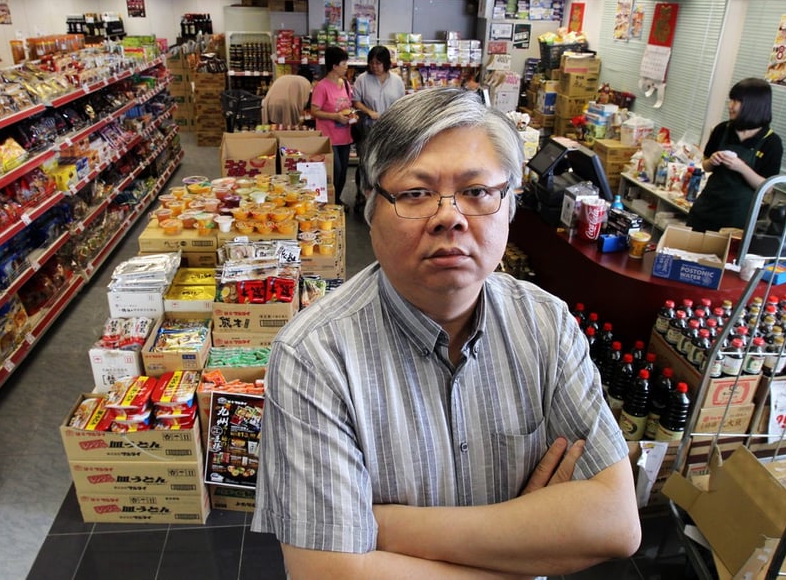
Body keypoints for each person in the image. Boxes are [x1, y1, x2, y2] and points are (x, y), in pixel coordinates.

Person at [251, 87, 641, 579]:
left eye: (477, 192)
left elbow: (616, 524)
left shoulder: (547, 326)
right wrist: (529, 542)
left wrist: (382, 530)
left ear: (509, 206)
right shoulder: (315, 356)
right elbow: (327, 573)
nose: (449, 217)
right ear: (371, 211)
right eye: (416, 193)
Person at [686, 77, 784, 233]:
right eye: (730, 100)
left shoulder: (771, 142)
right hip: (705, 209)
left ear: (753, 106)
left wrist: (741, 167)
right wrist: (712, 161)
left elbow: (767, 188)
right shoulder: (722, 129)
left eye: (736, 101)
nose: (730, 106)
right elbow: (705, 166)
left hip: (736, 219)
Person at [351, 45, 405, 212]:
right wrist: (368, 111)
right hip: (368, 130)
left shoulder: (397, 81)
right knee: (366, 164)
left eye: (378, 63)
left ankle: (383, 196)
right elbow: (356, 101)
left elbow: (402, 103)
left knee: (386, 164)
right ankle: (362, 195)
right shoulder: (362, 80)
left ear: (386, 63)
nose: (374, 66)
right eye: (372, 63)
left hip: (390, 131)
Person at [309, 46, 354, 210]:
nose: (346, 66)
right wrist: (335, 116)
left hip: (345, 136)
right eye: (344, 63)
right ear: (334, 66)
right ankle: (328, 202)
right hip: (329, 138)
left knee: (343, 173)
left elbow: (348, 105)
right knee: (335, 170)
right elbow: (314, 111)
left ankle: (337, 200)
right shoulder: (322, 86)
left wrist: (351, 116)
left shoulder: (346, 85)